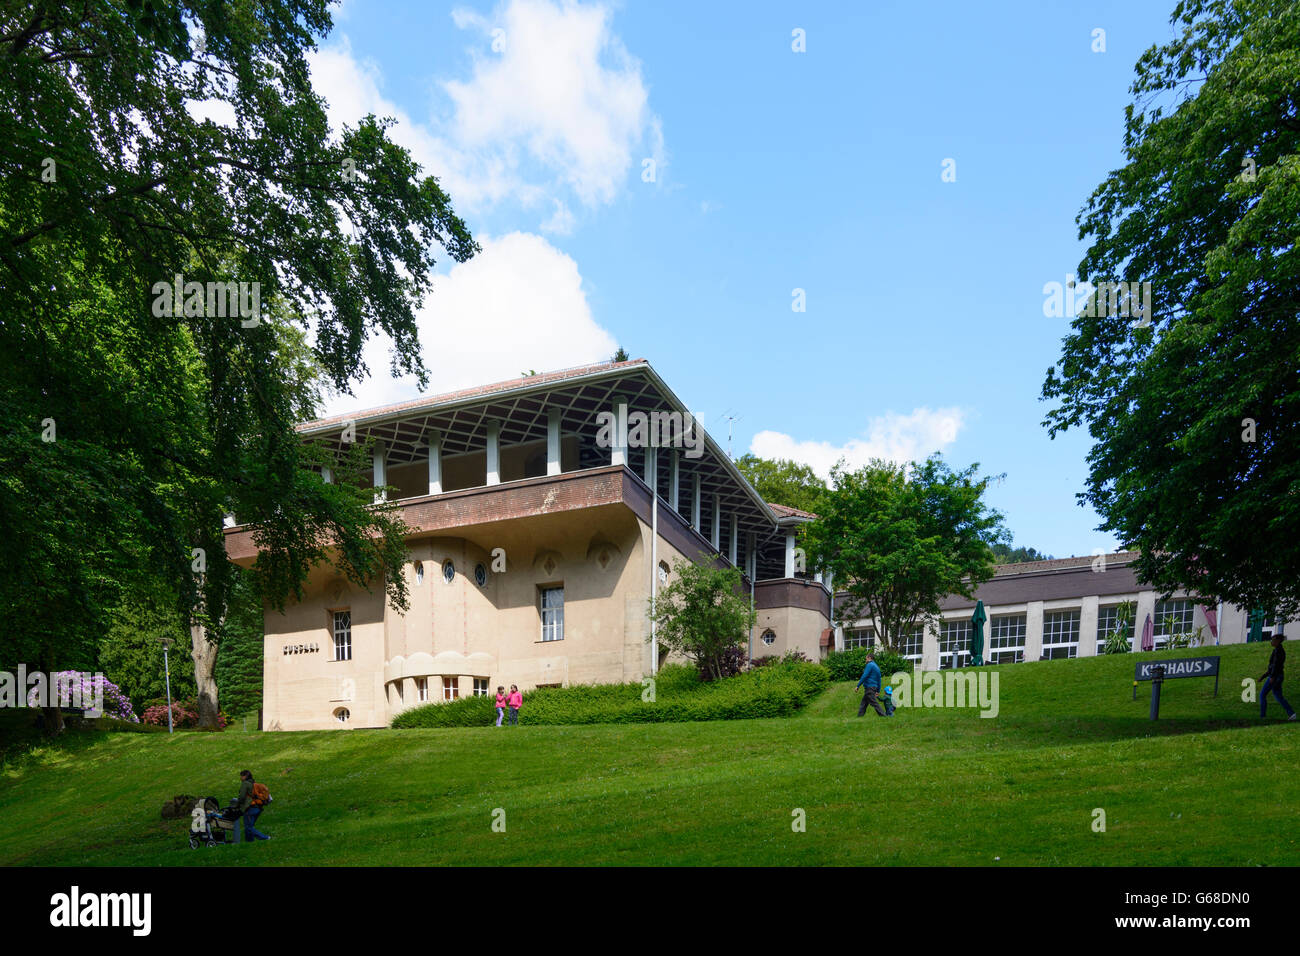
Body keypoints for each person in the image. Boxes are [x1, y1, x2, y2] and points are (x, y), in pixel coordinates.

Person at [1260, 634, 1297, 721]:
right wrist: (1263, 676)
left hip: (1275, 677)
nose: (1271, 642)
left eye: (1273, 640)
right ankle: (1291, 714)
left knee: (1262, 695)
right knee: (1278, 696)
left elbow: (1276, 666)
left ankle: (1262, 716)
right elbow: (1273, 666)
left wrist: (1272, 677)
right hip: (1278, 676)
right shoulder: (1278, 650)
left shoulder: (1278, 651)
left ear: (1277, 641)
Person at [237, 769, 270, 842]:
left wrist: (238, 805)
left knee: (248, 827)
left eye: (241, 776)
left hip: (250, 808)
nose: (240, 778)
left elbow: (242, 797)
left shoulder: (245, 784)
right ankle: (249, 843)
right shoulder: (254, 783)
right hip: (258, 808)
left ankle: (265, 838)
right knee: (249, 827)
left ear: (245, 776)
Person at [856, 652, 886, 717]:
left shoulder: (869, 665)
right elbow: (879, 680)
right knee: (863, 703)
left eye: (866, 659)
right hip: (873, 688)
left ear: (869, 658)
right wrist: (878, 690)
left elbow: (865, 676)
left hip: (869, 687)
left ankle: (884, 715)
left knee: (874, 703)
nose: (865, 660)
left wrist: (858, 686)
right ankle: (859, 717)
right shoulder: (876, 667)